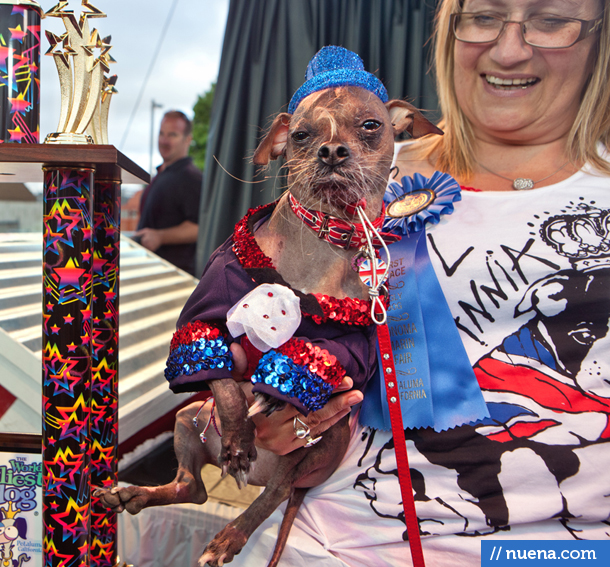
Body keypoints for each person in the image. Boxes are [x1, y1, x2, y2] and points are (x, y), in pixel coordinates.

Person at [233, 0, 610, 564]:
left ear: (599, 39)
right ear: (447, 31)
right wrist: (262, 422)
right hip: (348, 544)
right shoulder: (359, 168)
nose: (509, 50)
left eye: (551, 20)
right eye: (483, 17)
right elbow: (256, 346)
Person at [135, 110, 203, 276]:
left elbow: (199, 227)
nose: (164, 141)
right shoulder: (161, 174)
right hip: (149, 272)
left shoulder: (191, 177)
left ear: (188, 139)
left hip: (174, 277)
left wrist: (159, 237)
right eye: (161, 133)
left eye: (172, 135)